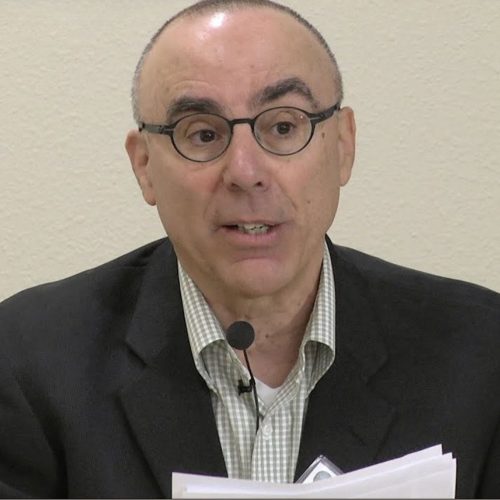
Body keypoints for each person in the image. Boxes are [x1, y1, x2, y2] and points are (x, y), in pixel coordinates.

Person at [0, 0, 499, 498]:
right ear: (144, 166)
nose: (245, 171)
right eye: (202, 134)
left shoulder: (481, 353)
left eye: (283, 127)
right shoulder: (26, 361)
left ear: (343, 146)